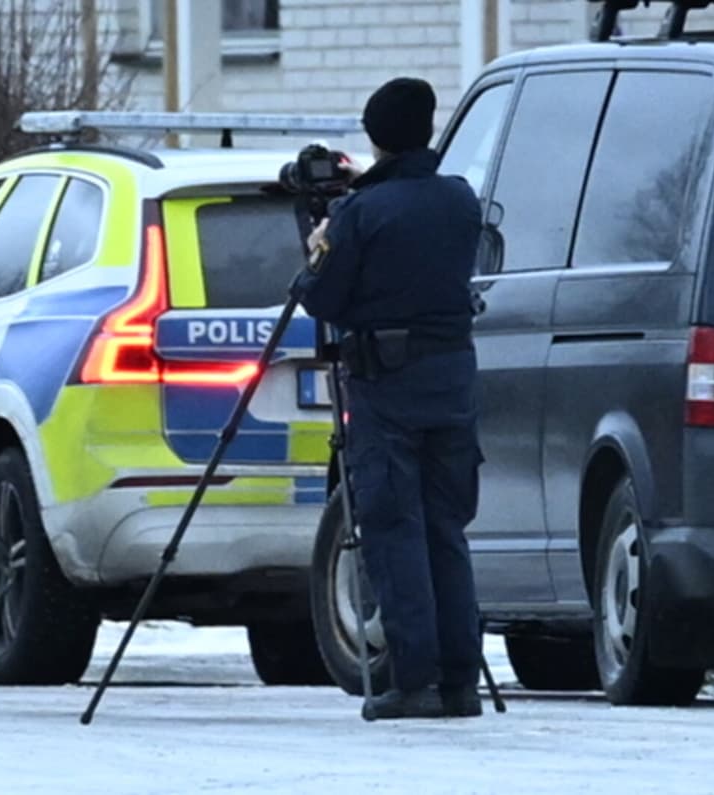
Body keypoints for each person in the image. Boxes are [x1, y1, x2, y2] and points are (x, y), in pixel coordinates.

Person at [292, 77, 485, 720]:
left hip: (386, 384)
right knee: (445, 528)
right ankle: (461, 681)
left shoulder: (362, 213)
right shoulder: (460, 201)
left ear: (377, 136)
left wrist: (318, 240)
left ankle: (413, 678)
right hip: (453, 379)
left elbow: (319, 296)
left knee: (392, 526)